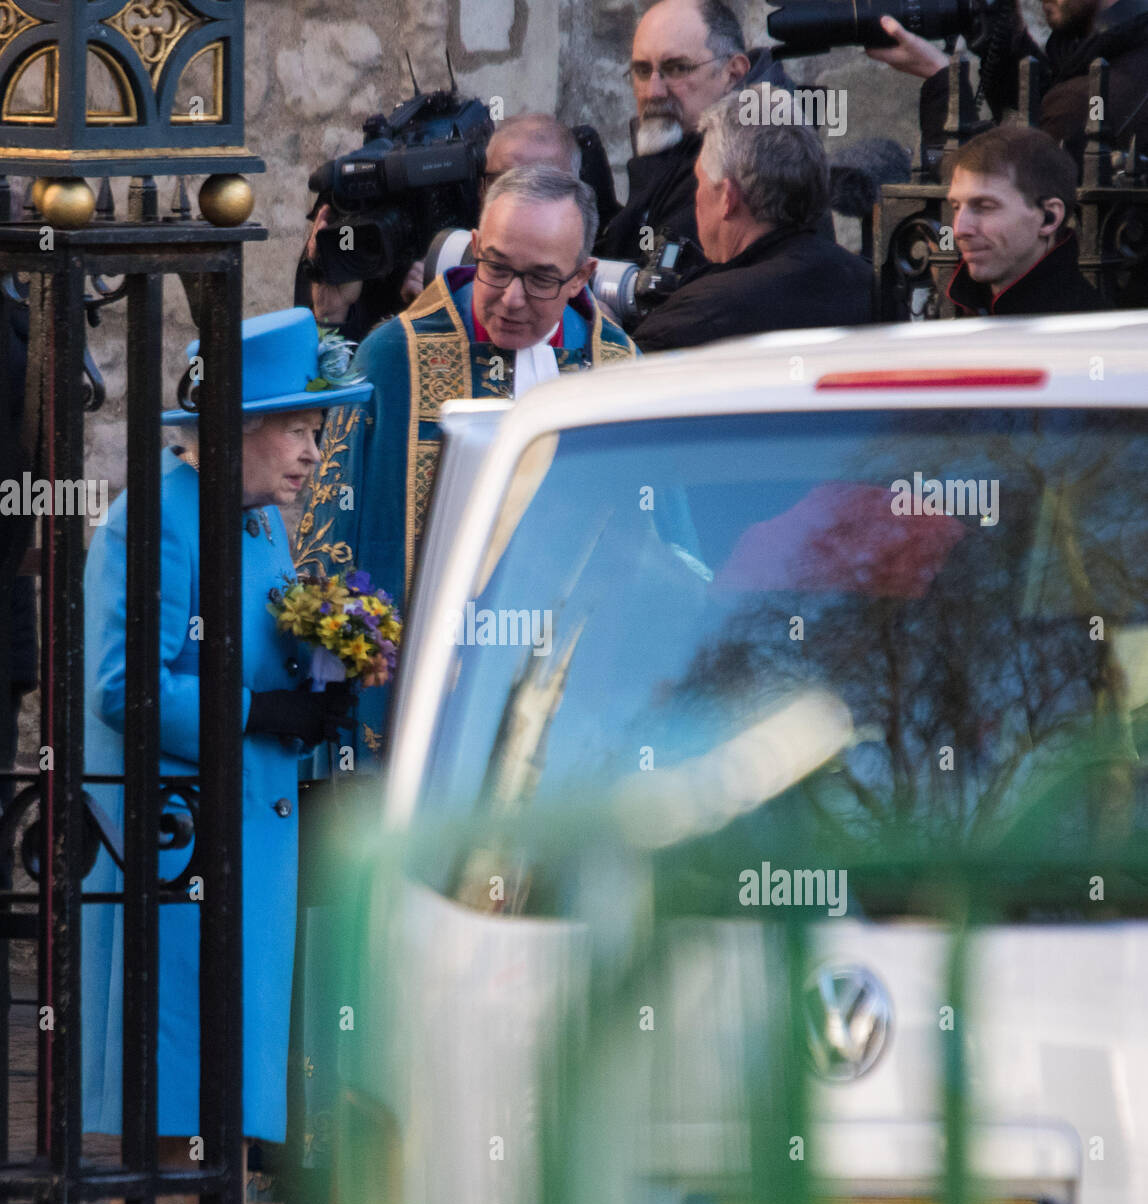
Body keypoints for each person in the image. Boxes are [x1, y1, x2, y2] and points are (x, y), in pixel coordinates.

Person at [80, 309, 370, 1186]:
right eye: (297, 429)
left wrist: (324, 678)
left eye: (316, 431)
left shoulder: (259, 521)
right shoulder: (157, 520)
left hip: (249, 838)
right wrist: (256, 711)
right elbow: (122, 688)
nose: (313, 453)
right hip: (179, 846)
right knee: (187, 1107)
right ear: (238, 428)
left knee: (234, 1097)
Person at [297, 164, 637, 752]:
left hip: (562, 692)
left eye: (540, 279)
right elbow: (332, 534)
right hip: (420, 693)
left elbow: (652, 542)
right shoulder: (395, 357)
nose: (510, 298)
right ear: (475, 245)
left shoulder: (620, 372)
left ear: (583, 277)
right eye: (497, 266)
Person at [297, 112, 585, 340]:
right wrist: (331, 315)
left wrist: (444, 312)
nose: (523, 202)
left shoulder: (590, 320)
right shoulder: (378, 254)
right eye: (504, 183)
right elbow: (333, 405)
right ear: (481, 186)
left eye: (544, 186)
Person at [631, 90, 875, 353]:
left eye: (699, 182)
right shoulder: (874, 287)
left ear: (727, 197)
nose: (696, 197)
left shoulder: (690, 321)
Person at [597, 0, 797, 269]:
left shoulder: (759, 165)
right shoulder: (677, 146)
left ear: (733, 73)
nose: (652, 91)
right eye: (642, 71)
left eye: (678, 68)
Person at [866, 0, 1148, 162]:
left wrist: (942, 79)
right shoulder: (1122, 57)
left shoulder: (1086, 99)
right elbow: (1043, 113)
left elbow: (1001, 207)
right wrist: (1002, 45)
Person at [942, 125, 1105, 314]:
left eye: (985, 207)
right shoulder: (965, 305)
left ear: (1048, 218)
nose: (960, 229)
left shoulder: (1085, 331)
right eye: (956, 207)